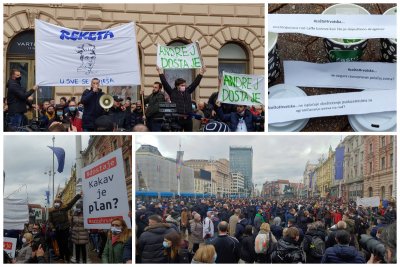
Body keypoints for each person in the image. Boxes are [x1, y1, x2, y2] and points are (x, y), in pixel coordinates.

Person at [157, 66, 206, 131]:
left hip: (188, 119)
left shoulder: (188, 91)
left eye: (184, 85)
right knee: (177, 138)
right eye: (182, 85)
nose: (184, 87)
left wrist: (201, 73)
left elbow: (195, 83)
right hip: (178, 120)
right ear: (177, 86)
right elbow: (164, 83)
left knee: (188, 137)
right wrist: (160, 72)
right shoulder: (172, 93)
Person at [48, 193, 82, 263]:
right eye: (55, 202)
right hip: (57, 229)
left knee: (65, 244)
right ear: (54, 203)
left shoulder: (64, 208)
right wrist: (53, 228)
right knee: (59, 244)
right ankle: (61, 257)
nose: (56, 203)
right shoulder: (51, 211)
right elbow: (50, 221)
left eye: (58, 202)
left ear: (60, 203)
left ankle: (67, 257)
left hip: (65, 228)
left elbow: (72, 202)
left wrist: (78, 196)